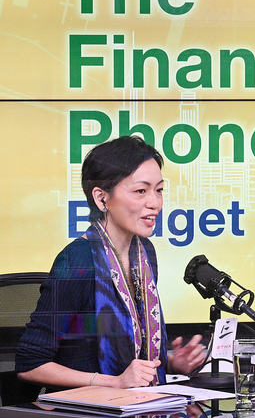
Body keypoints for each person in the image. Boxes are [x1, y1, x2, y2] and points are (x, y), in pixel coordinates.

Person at [17, 136, 206, 389]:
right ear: (101, 198)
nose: (155, 203)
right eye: (140, 191)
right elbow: (30, 364)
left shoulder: (145, 253)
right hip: (88, 410)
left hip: (139, 405)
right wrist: (114, 382)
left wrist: (170, 363)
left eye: (159, 190)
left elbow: (121, 343)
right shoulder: (78, 259)